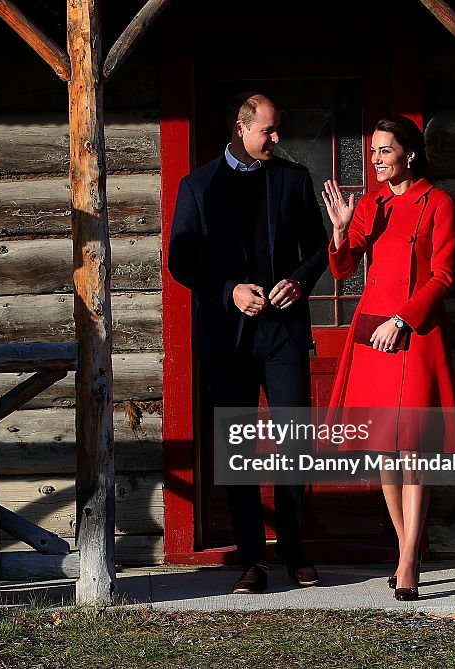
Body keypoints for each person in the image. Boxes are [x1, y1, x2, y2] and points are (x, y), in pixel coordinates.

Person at [168, 93, 328, 594]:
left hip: (283, 333)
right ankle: (251, 561)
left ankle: (296, 552)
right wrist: (228, 291)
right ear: (242, 129)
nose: (277, 139)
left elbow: (319, 248)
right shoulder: (197, 185)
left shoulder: (293, 180)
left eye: (277, 131)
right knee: (238, 450)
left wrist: (300, 282)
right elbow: (181, 260)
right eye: (268, 131)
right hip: (229, 338)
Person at [322, 115, 455, 602]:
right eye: (373, 150)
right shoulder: (370, 204)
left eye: (384, 150)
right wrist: (340, 231)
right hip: (370, 332)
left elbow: (443, 275)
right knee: (384, 445)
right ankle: (407, 548)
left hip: (411, 331)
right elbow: (343, 268)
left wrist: (401, 320)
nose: (376, 159)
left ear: (409, 153)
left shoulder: (437, 202)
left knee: (412, 447)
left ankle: (405, 562)